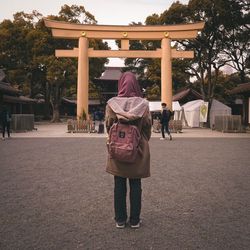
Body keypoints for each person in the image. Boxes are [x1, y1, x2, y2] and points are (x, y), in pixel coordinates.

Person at [105, 72, 152, 229]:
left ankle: (120, 219)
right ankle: (134, 220)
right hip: (137, 148)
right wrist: (140, 140)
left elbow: (108, 125)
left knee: (119, 183)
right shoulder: (143, 105)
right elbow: (147, 127)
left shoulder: (112, 104)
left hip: (117, 148)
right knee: (135, 184)